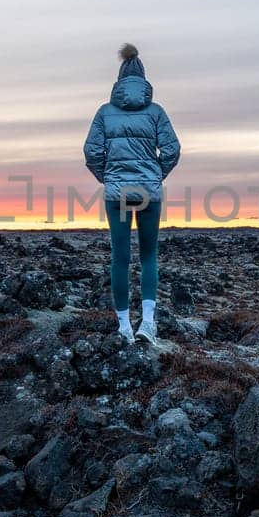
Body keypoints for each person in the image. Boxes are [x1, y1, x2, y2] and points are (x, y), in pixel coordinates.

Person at [83, 42, 180, 341]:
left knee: (120, 257)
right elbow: (173, 150)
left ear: (119, 81)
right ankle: (148, 323)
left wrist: (108, 178)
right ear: (144, 80)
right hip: (148, 193)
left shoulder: (104, 112)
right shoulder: (156, 112)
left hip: (119, 195)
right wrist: (155, 175)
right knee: (149, 255)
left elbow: (91, 152)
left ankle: (124, 326)